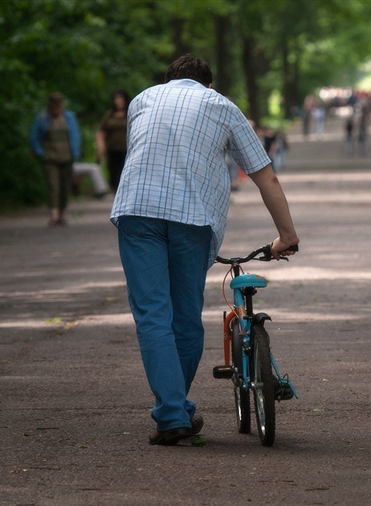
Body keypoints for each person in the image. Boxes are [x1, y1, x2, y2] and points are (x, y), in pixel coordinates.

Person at [110, 54, 300, 446]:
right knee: (184, 317)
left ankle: (172, 414)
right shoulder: (220, 105)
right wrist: (286, 236)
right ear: (208, 85)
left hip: (136, 212)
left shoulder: (141, 100)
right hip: (191, 218)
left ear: (167, 80)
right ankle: (172, 412)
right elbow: (266, 177)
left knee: (152, 315)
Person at [29, 92, 82, 226]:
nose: (57, 109)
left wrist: (75, 154)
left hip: (67, 158)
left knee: (65, 187)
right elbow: (34, 137)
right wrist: (40, 152)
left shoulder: (69, 118)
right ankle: (54, 215)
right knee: (53, 186)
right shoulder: (42, 118)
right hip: (50, 159)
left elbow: (76, 136)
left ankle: (61, 213)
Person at [96, 89, 131, 192]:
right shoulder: (109, 114)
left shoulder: (129, 113)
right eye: (116, 98)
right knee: (113, 174)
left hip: (126, 149)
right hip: (112, 149)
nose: (117, 101)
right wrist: (101, 146)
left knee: (124, 173)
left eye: (120, 98)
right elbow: (102, 131)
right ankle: (114, 193)